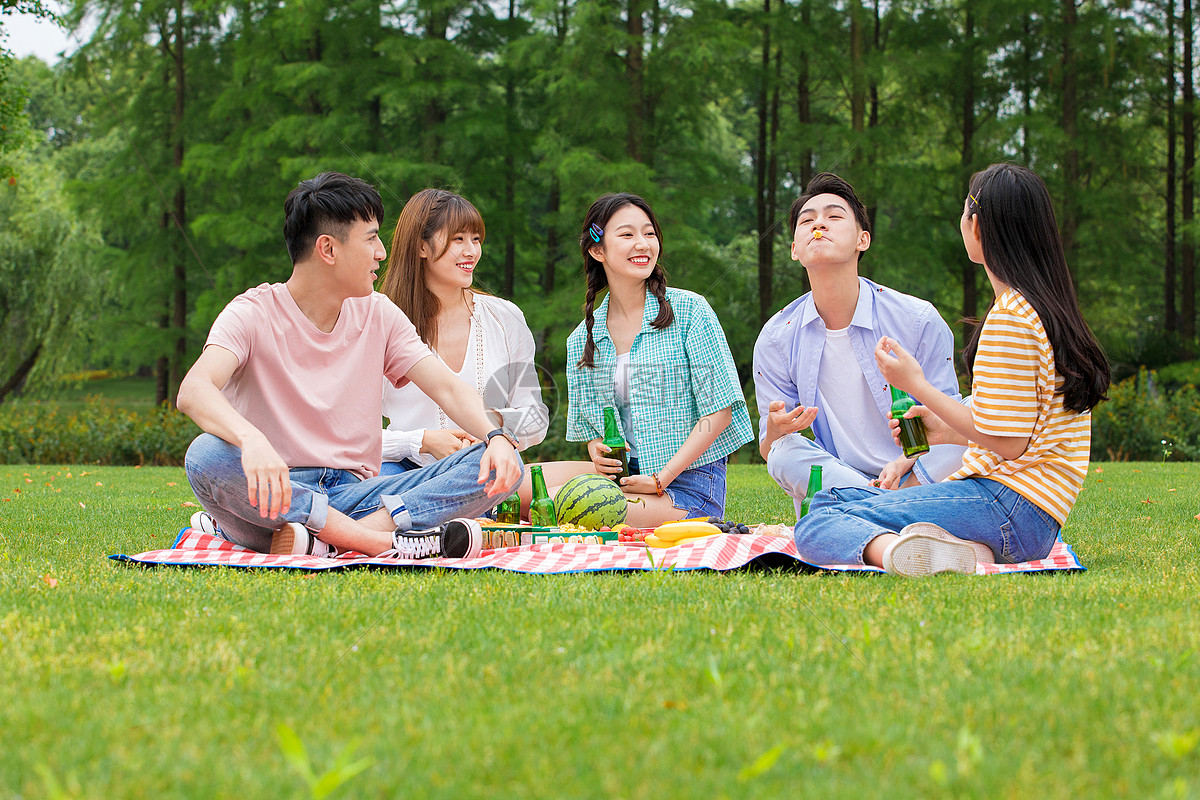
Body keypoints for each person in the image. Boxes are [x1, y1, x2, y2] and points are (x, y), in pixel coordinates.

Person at [178, 172, 522, 560]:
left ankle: (334, 538)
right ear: (328, 249)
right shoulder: (251, 314)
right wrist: (251, 440)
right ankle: (373, 540)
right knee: (206, 454)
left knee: (501, 462)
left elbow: (446, 387)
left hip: (356, 493)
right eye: (372, 238)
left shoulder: (378, 313)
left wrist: (495, 439)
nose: (382, 252)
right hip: (274, 492)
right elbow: (194, 390)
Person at [794, 163, 1110, 576]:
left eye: (964, 213)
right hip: (1028, 514)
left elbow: (1008, 442)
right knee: (832, 502)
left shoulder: (1011, 319)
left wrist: (915, 385)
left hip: (1008, 505)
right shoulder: (1036, 309)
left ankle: (894, 551)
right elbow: (1021, 427)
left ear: (977, 226)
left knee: (820, 516)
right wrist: (942, 430)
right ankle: (962, 551)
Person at [753, 172, 967, 521]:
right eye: (807, 220)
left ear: (862, 239)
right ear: (795, 248)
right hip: (842, 478)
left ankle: (867, 513)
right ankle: (883, 509)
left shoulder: (916, 319)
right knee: (783, 453)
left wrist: (904, 465)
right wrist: (775, 431)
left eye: (834, 216)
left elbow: (949, 420)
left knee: (977, 416)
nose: (818, 224)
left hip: (918, 474)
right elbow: (768, 448)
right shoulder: (777, 336)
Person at [565, 192, 754, 526]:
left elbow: (720, 411)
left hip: (688, 486)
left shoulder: (690, 311)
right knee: (519, 486)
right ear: (597, 250)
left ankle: (700, 522)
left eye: (649, 233)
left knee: (574, 511)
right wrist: (596, 448)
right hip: (625, 480)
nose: (643, 244)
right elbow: (592, 428)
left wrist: (661, 478)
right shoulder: (582, 338)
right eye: (627, 235)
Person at [376, 189, 548, 475]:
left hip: (480, 470)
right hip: (404, 473)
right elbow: (349, 438)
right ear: (421, 247)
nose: (471, 251)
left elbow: (536, 419)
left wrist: (490, 424)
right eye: (458, 239)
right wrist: (421, 441)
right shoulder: (382, 322)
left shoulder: (505, 317)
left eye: (476, 239)